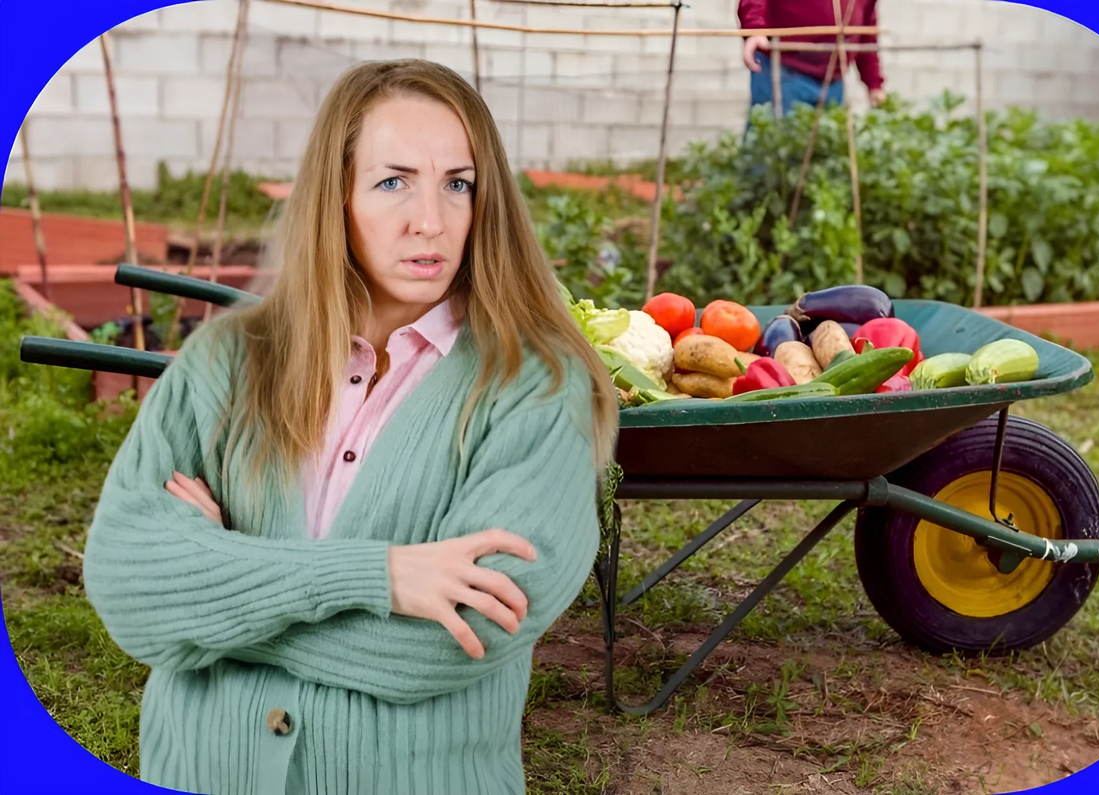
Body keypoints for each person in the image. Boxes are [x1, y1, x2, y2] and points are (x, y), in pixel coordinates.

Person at [82, 58, 619, 795]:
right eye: (393, 182)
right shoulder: (229, 359)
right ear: (336, 196)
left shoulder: (538, 385)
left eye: (457, 184)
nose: (431, 220)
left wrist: (214, 588)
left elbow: (459, 636)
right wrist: (381, 576)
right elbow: (129, 586)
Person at [738, 0, 887, 118]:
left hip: (834, 80)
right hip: (784, 69)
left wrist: (874, 83)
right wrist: (755, 28)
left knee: (828, 146)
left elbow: (866, 26)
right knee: (775, 143)